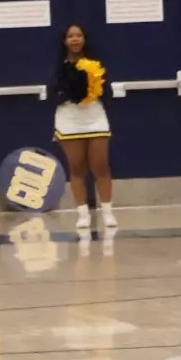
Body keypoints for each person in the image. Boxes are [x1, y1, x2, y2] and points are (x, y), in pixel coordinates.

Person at [52, 23, 115, 230]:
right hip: (69, 117)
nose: (75, 39)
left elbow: (106, 89)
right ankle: (82, 213)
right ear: (65, 41)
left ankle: (107, 212)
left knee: (101, 165)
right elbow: (52, 91)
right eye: (71, 36)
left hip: (94, 115)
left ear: (85, 39)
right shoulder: (57, 64)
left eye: (79, 35)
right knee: (77, 167)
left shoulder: (95, 63)